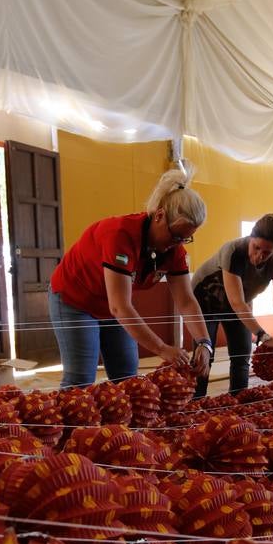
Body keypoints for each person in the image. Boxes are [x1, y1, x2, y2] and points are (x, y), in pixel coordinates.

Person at [49, 160, 213, 389]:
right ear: (159, 216)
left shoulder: (175, 250)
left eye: (186, 238)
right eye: (176, 235)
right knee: (81, 381)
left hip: (113, 306)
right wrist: (162, 349)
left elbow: (186, 300)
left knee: (128, 378)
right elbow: (120, 307)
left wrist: (204, 342)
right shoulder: (120, 235)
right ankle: (71, 426)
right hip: (75, 300)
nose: (178, 244)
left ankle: (122, 426)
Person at [191, 213, 273, 397]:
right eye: (256, 248)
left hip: (239, 304)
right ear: (250, 237)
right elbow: (237, 302)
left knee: (241, 355)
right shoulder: (234, 250)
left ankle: (239, 402)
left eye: (267, 252)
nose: (259, 256)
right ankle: (196, 404)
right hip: (205, 302)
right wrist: (264, 337)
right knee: (205, 356)